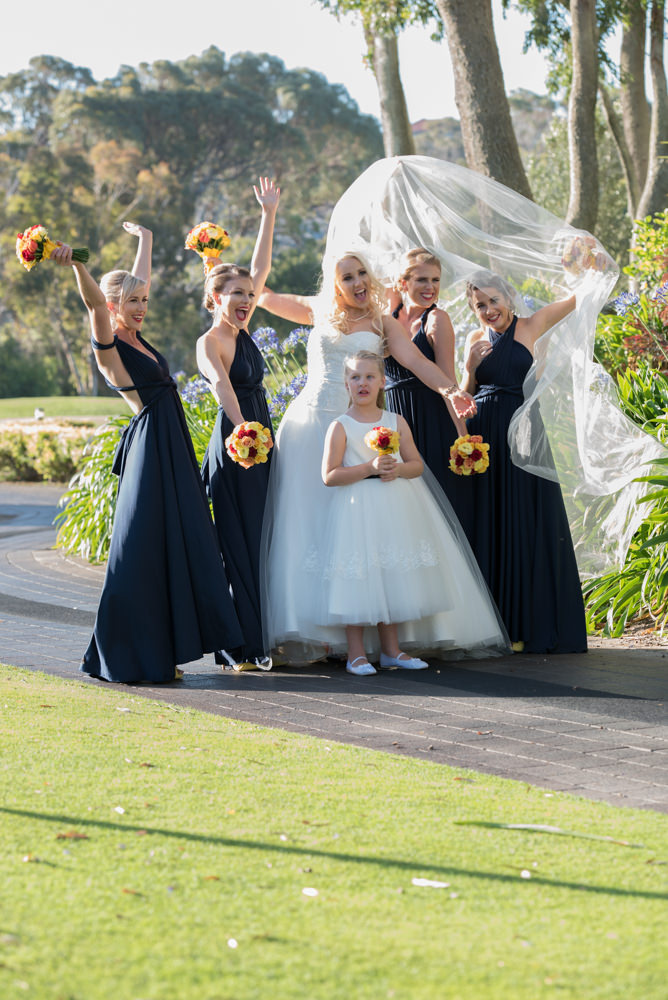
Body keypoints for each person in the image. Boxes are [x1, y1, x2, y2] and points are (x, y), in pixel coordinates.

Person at [258, 250, 476, 662]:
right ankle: (317, 634)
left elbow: (415, 361)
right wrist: (267, 219)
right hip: (310, 427)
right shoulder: (317, 310)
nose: (357, 282)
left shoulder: (382, 320)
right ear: (334, 283)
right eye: (347, 277)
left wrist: (450, 389)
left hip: (359, 432)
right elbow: (262, 294)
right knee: (307, 527)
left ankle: (376, 642)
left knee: (359, 533)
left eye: (362, 274)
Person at [51, 224, 243, 683]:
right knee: (139, 551)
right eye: (131, 302)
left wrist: (147, 239)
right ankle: (122, 654)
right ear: (114, 306)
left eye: (144, 301)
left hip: (170, 449)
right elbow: (98, 302)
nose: (140, 307)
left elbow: (135, 284)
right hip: (149, 451)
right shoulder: (108, 345)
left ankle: (165, 649)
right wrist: (78, 263)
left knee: (175, 546)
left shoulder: (137, 335)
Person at [314, 351, 508, 673]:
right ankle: (356, 653)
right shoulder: (340, 426)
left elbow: (416, 465)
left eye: (369, 377)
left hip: (393, 508)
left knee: (390, 574)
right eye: (355, 377)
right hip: (355, 513)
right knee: (359, 576)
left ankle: (392, 650)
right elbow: (329, 475)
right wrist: (369, 468)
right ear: (346, 383)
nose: (362, 383)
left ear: (382, 382)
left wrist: (397, 470)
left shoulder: (395, 422)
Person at [461, 269, 587, 653]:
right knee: (490, 520)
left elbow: (576, 300)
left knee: (526, 519)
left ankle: (530, 623)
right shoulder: (474, 339)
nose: (488, 310)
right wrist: (467, 368)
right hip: (484, 432)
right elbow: (465, 396)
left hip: (524, 431)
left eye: (493, 300)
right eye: (480, 305)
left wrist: (584, 266)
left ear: (509, 298)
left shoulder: (531, 326)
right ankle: (496, 623)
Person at [197, 177, 280, 670]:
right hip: (237, 446)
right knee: (241, 544)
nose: (246, 299)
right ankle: (241, 647)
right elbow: (221, 387)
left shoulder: (243, 327)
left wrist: (268, 214)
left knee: (264, 538)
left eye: (249, 293)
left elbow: (261, 268)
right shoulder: (213, 341)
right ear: (214, 300)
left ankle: (264, 638)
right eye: (235, 294)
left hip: (261, 442)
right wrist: (243, 429)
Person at [384, 247, 473, 535]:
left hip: (433, 420)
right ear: (403, 282)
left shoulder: (437, 319)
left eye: (435, 280)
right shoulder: (388, 318)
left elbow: (448, 378)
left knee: (440, 509)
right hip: (396, 421)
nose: (430, 287)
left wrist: (462, 437)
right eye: (422, 279)